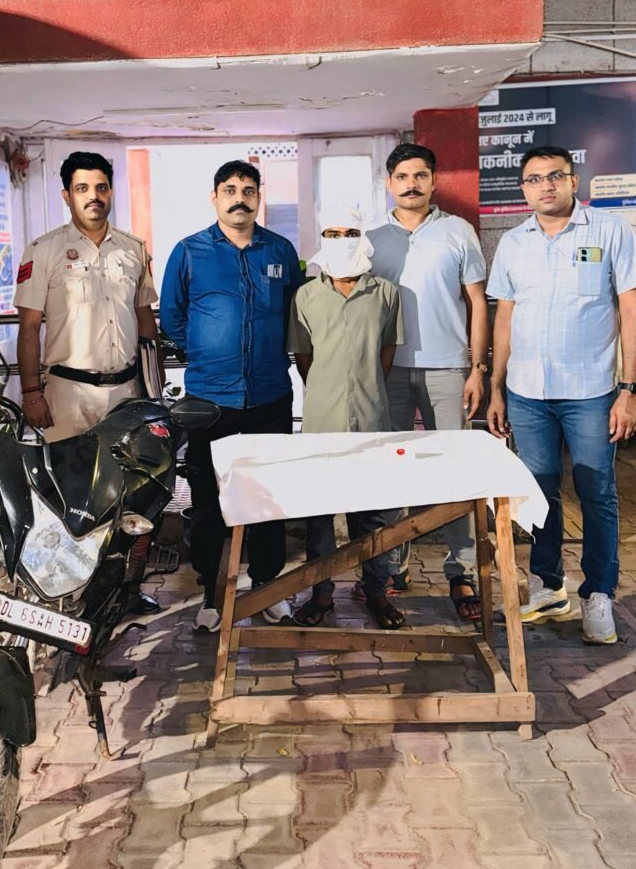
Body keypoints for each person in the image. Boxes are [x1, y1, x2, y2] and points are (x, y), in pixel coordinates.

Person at [486, 145, 636, 645]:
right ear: (524, 189)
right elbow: (505, 317)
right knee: (538, 493)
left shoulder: (610, 231)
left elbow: (633, 311)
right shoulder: (513, 242)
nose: (545, 186)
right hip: (527, 392)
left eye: (555, 176)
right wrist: (496, 387)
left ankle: (599, 593)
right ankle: (548, 585)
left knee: (596, 490)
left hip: (591, 391)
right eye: (534, 179)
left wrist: (630, 389)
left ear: (573, 181)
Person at [160, 160, 303, 634]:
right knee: (207, 504)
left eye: (248, 190)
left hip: (269, 397)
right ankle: (211, 592)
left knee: (269, 498)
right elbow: (172, 318)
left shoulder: (279, 250)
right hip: (209, 402)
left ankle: (266, 587)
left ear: (259, 196)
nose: (239, 198)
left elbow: (294, 312)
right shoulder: (189, 251)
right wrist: (207, 352)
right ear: (214, 197)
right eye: (230, 190)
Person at [367, 142, 490, 622]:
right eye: (402, 176)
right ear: (389, 183)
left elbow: (477, 302)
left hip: (447, 369)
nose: (411, 184)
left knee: (454, 471)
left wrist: (477, 368)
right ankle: (392, 566)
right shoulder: (371, 240)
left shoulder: (458, 231)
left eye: (420, 175)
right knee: (392, 469)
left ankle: (461, 571)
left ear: (434, 181)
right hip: (389, 370)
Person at [288, 205, 406, 630]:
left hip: (371, 420)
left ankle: (376, 592)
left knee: (372, 514)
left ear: (363, 237)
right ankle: (321, 594)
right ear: (323, 239)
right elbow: (304, 358)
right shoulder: (306, 296)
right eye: (332, 234)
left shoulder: (386, 293)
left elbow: (386, 354)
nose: (341, 241)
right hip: (322, 421)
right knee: (320, 513)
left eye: (350, 233)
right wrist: (330, 389)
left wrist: (363, 387)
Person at [14, 151, 160, 440]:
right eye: (82, 188)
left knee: (127, 470)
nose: (94, 196)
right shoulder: (43, 251)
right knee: (69, 470)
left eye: (101, 187)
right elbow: (29, 327)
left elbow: (145, 319)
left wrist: (154, 385)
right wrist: (31, 394)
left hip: (127, 392)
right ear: (67, 196)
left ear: (111, 192)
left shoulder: (134, 249)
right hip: (69, 395)